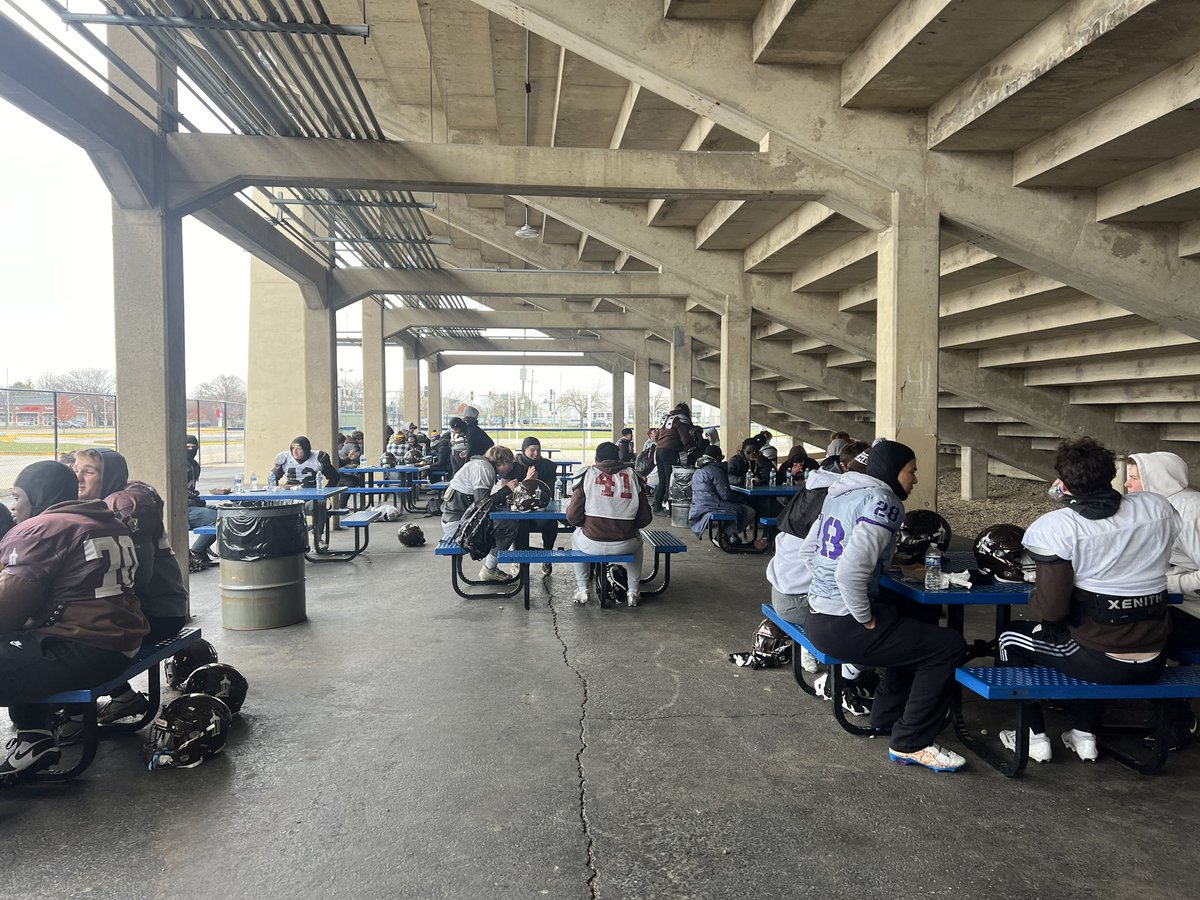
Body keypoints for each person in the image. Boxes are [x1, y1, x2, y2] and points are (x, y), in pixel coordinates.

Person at [994, 438, 1179, 764]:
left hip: (1102, 660)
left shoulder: (1058, 527)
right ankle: (1083, 735)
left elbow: (1051, 610)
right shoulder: (1157, 508)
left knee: (1013, 636)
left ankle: (1033, 738)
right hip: (1155, 657)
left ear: (1062, 483)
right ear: (1111, 474)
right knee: (1086, 633)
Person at [800, 440, 969, 772]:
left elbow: (810, 555)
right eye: (912, 471)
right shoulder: (885, 502)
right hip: (845, 623)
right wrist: (863, 616)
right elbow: (850, 571)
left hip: (818, 615)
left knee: (909, 622)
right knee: (947, 646)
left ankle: (888, 716)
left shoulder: (839, 493)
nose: (915, 479)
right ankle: (912, 742)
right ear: (893, 472)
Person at [0, 462, 149, 779]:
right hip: (117, 644)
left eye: (17, 496)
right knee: (23, 642)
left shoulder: (40, 529)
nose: (13, 506)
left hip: (82, 647)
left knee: (14, 644)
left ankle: (33, 738)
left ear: (37, 495)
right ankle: (33, 739)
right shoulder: (103, 519)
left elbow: (6, 612)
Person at [73, 449, 189, 726]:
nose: (78, 477)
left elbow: (137, 579)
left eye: (88, 471)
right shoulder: (100, 506)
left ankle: (71, 718)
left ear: (109, 476)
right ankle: (120, 699)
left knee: (69, 639)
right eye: (74, 469)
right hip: (141, 610)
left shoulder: (125, 508)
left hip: (157, 612)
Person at [767, 440, 868, 678]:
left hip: (782, 590)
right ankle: (845, 677)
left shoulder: (814, 489)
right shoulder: (840, 499)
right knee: (877, 615)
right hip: (799, 601)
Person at [565, 442, 653, 606]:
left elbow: (573, 516)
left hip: (591, 543)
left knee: (575, 536)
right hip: (624, 544)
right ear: (618, 457)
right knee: (638, 541)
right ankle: (633, 591)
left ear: (596, 458)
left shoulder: (587, 474)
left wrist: (586, 524)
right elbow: (644, 519)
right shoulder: (633, 476)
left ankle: (582, 589)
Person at [687, 448, 762, 548]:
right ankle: (725, 534)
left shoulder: (699, 469)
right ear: (718, 457)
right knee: (748, 511)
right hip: (712, 505)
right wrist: (743, 499)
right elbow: (726, 495)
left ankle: (724, 535)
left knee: (734, 508)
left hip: (699, 506)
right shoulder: (715, 470)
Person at [441, 444, 515, 541]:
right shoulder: (483, 468)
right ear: (501, 461)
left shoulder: (480, 464)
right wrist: (507, 489)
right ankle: (493, 556)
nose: (511, 468)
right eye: (510, 463)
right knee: (509, 524)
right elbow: (482, 505)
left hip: (453, 521)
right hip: (458, 526)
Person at [510, 437, 560, 575]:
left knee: (551, 523)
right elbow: (512, 495)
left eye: (538, 450)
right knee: (520, 523)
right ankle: (519, 559)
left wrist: (536, 482)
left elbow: (548, 493)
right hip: (520, 512)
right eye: (532, 450)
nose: (536, 454)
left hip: (541, 509)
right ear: (524, 450)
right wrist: (527, 481)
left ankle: (547, 558)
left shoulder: (548, 466)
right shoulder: (515, 466)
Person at [185, 434, 219, 571]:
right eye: (187, 447)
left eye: (194, 447)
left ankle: (202, 549)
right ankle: (196, 551)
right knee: (219, 518)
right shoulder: (178, 465)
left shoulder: (194, 465)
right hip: (182, 510)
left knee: (223, 512)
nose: (191, 450)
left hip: (192, 506)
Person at [652, 403, 693, 513]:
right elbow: (685, 438)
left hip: (659, 450)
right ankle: (669, 507)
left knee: (662, 480)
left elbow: (655, 436)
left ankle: (657, 506)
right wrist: (687, 446)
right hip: (670, 451)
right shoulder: (680, 421)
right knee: (670, 479)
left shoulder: (667, 419)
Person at [271, 436, 342, 487]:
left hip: (312, 495)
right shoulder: (284, 458)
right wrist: (276, 491)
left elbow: (334, 477)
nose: (295, 451)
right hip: (290, 494)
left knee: (316, 505)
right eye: (293, 448)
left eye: (299, 449)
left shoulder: (319, 458)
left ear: (306, 449)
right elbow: (272, 477)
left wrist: (324, 493)